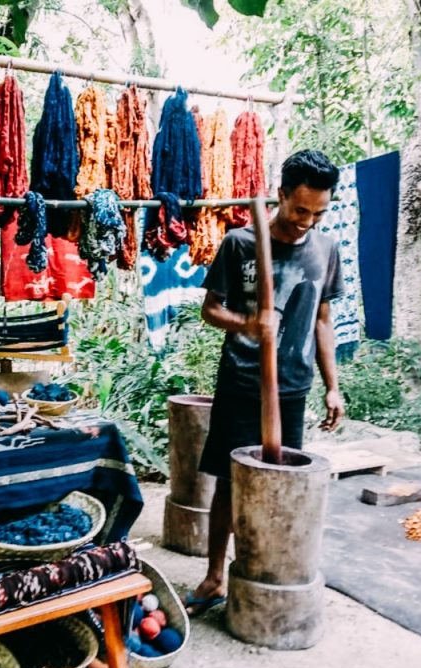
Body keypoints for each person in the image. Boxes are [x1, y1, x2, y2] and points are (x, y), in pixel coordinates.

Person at [184, 149, 345, 615]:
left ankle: (264, 570)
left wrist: (332, 386)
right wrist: (248, 325)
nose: (307, 222)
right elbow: (210, 309)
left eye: (318, 213)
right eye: (299, 210)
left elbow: (322, 320)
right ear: (280, 196)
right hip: (241, 382)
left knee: (281, 485)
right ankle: (215, 576)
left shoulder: (326, 250)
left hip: (292, 387)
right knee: (229, 483)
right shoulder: (240, 243)